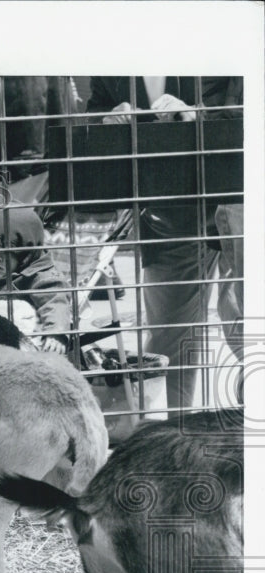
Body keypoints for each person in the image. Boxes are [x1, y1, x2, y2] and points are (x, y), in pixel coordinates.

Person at [87, 76, 239, 409]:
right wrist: (106, 119)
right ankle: (176, 434)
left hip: (237, 197)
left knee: (245, 323)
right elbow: (92, 110)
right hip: (168, 212)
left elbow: (244, 104)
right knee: (169, 338)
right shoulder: (107, 54)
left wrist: (196, 115)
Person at [0, 206, 71, 353]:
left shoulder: (42, 277)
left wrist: (55, 332)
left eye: (5, 252)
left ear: (25, 253)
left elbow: (56, 303)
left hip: (28, 343)